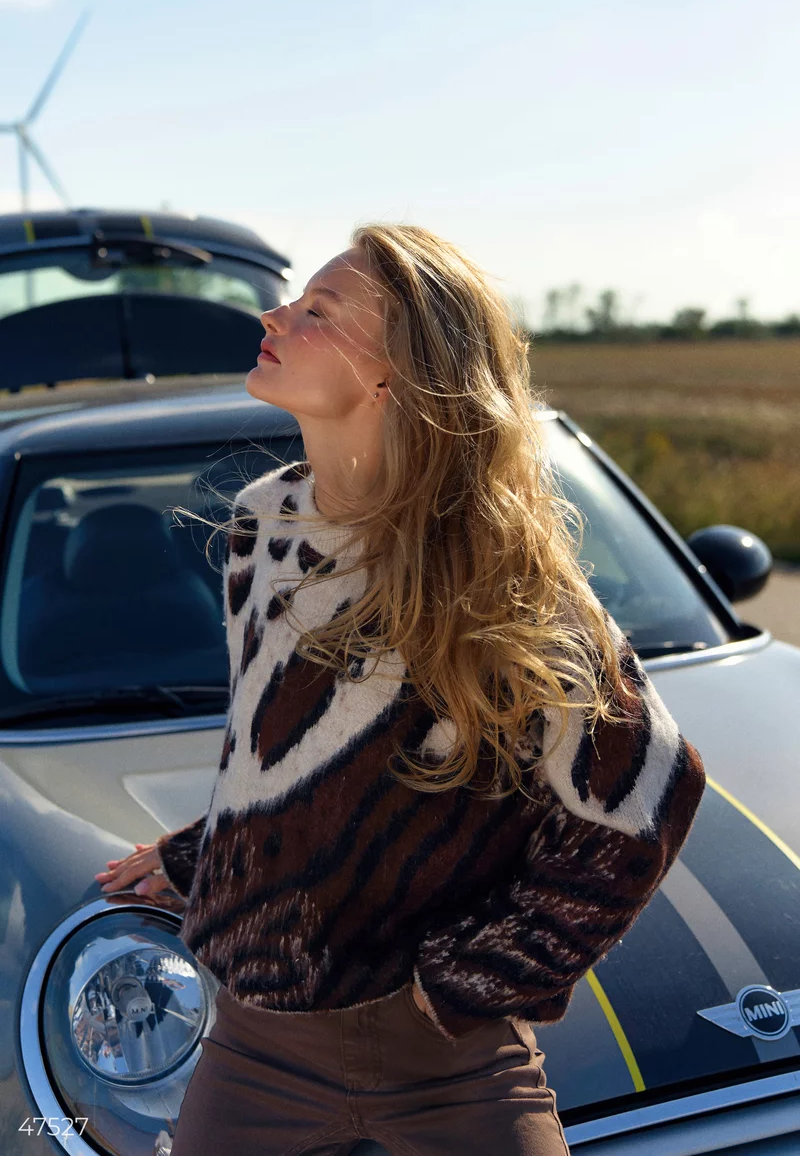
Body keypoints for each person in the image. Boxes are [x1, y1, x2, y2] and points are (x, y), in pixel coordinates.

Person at [95, 223, 706, 1156]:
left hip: (453, 1069)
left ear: (391, 375)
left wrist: (472, 982)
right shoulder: (265, 530)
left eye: (316, 311)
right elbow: (275, 750)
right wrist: (206, 852)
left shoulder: (498, 570)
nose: (273, 314)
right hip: (257, 1048)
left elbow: (653, 793)